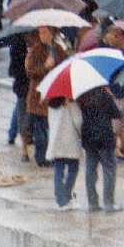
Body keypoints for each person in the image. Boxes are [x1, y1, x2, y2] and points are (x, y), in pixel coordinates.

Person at [24, 26, 66, 168]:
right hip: (39, 96)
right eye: (40, 32)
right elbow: (30, 71)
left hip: (54, 93)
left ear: (52, 33)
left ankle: (52, 155)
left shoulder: (58, 49)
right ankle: (41, 157)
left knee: (52, 128)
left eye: (45, 32)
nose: (42, 35)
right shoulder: (35, 50)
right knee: (40, 129)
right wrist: (46, 66)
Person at [80, 85, 123, 212]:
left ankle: (92, 203)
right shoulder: (105, 95)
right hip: (105, 136)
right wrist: (112, 97)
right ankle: (109, 203)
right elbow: (117, 114)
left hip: (88, 136)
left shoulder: (83, 96)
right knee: (109, 169)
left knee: (90, 170)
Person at [46, 86, 84, 210]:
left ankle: (60, 199)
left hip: (56, 141)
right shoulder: (71, 104)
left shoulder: (52, 105)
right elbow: (78, 123)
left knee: (58, 169)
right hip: (70, 141)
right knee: (73, 169)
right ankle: (66, 197)